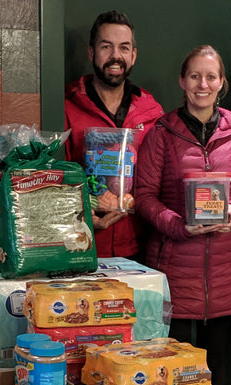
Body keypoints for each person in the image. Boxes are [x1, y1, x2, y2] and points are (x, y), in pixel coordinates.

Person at [133, 45, 231, 385]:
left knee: (217, 373)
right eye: (194, 76)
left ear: (222, 83)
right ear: (182, 81)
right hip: (174, 270)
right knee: (172, 374)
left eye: (210, 77)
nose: (202, 84)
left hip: (224, 275)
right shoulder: (162, 133)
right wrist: (178, 224)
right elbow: (143, 196)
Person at [64, 10, 164, 258]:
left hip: (140, 249)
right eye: (106, 47)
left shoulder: (152, 111)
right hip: (82, 247)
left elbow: (161, 179)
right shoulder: (66, 106)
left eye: (123, 47)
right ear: (91, 53)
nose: (115, 56)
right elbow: (54, 182)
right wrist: (86, 213)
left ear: (133, 55)